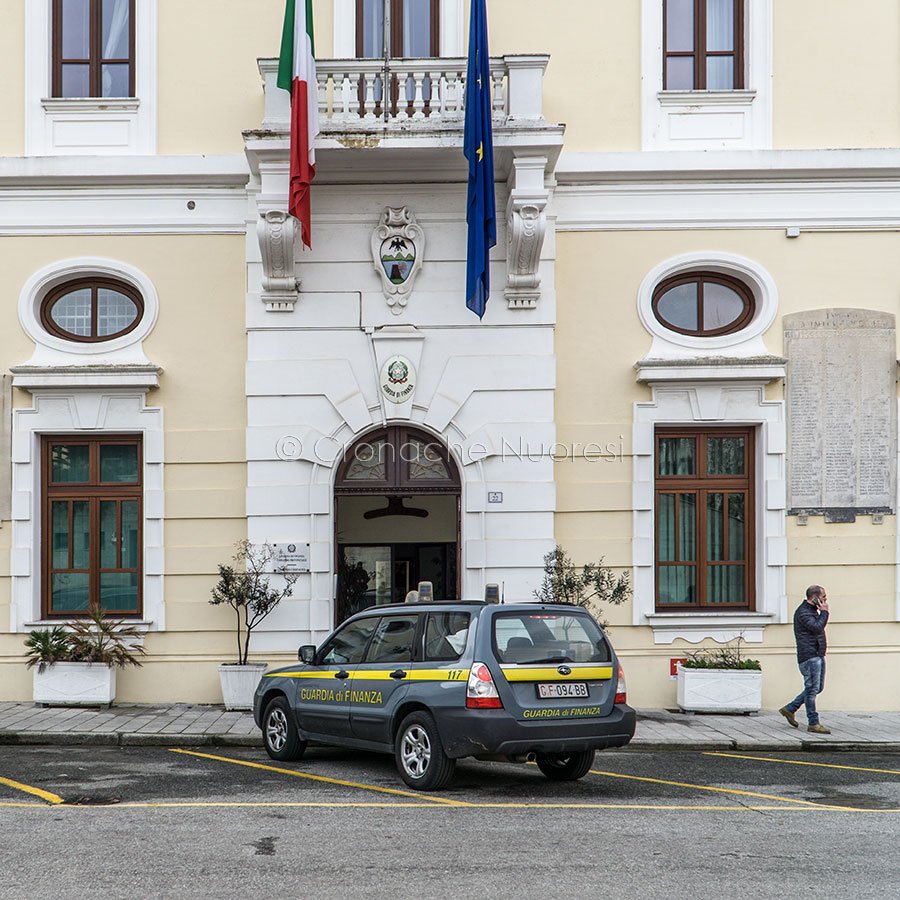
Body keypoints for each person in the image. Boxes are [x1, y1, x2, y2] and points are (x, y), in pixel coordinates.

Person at [779, 585, 831, 734]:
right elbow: (817, 627)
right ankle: (813, 723)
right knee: (812, 689)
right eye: (823, 597)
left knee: (817, 688)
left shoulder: (812, 611)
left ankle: (790, 709)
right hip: (809, 656)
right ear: (814, 597)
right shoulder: (803, 613)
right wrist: (825, 612)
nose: (825, 600)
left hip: (817, 653)